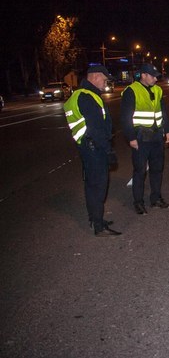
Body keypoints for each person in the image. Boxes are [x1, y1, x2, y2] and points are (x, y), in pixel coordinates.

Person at [63, 65, 121, 237]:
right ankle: (99, 226)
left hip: (87, 147)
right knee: (98, 187)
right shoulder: (87, 97)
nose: (106, 82)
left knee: (91, 186)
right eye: (104, 79)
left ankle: (95, 219)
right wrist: (108, 151)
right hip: (95, 148)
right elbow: (96, 129)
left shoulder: (81, 94)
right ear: (95, 76)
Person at [121, 63, 169, 214]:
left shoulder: (158, 90)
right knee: (140, 171)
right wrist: (131, 138)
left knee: (157, 169)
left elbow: (163, 112)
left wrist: (168, 131)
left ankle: (156, 198)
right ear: (143, 75)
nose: (156, 79)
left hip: (157, 136)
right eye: (153, 76)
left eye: (156, 76)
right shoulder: (131, 91)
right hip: (140, 138)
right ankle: (138, 202)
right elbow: (125, 117)